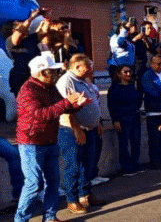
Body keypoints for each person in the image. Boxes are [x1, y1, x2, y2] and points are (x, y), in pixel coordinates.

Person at [15, 54, 89, 222]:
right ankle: (20, 219)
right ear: (42, 72)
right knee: (33, 184)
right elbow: (41, 115)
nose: (56, 74)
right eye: (53, 71)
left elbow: (60, 108)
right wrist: (66, 103)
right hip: (31, 143)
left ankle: (49, 217)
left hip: (50, 140)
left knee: (53, 182)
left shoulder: (50, 88)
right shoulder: (28, 90)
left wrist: (77, 104)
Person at [56, 53, 105, 214]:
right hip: (72, 131)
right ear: (77, 66)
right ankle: (72, 200)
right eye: (88, 66)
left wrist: (96, 122)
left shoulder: (84, 81)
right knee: (74, 167)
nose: (91, 69)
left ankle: (85, 194)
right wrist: (77, 130)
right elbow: (67, 109)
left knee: (88, 165)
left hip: (89, 129)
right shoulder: (66, 81)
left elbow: (93, 101)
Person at [107, 64, 143, 176]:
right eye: (125, 72)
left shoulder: (132, 86)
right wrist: (115, 120)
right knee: (124, 144)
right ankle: (127, 167)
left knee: (136, 142)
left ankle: (135, 164)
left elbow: (138, 100)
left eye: (130, 71)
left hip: (134, 117)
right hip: (122, 119)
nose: (128, 74)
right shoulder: (115, 88)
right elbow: (112, 105)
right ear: (119, 74)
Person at [141, 55, 161, 170]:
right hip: (155, 111)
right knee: (155, 139)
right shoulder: (147, 75)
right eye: (158, 64)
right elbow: (151, 91)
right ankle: (155, 161)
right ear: (152, 64)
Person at [6, 8, 45, 96]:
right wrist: (31, 18)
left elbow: (44, 32)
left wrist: (46, 18)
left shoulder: (31, 39)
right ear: (13, 30)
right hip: (20, 80)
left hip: (35, 79)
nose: (26, 28)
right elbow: (20, 31)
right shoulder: (11, 41)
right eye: (22, 25)